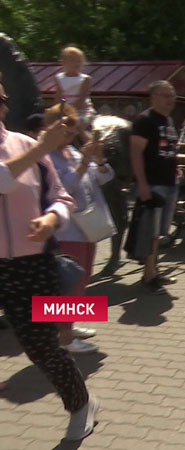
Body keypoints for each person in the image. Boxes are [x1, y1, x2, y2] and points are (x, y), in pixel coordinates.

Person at [0, 80, 99, 440]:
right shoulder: (37, 146)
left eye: (1, 98)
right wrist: (44, 144)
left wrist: (51, 219)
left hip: (32, 265)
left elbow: (62, 197)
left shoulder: (26, 145)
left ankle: (81, 403)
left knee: (41, 346)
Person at [45, 103, 116, 354]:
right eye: (65, 130)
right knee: (70, 281)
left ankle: (68, 326)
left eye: (72, 131)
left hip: (88, 225)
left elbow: (105, 177)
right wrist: (84, 164)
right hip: (67, 230)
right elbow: (62, 189)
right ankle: (64, 337)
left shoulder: (72, 152)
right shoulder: (46, 157)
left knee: (82, 278)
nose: (70, 135)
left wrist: (98, 158)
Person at [129, 80, 180, 294]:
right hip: (152, 184)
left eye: (172, 95)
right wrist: (142, 184)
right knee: (150, 232)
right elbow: (135, 152)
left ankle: (154, 270)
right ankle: (148, 276)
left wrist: (176, 168)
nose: (171, 99)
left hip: (169, 183)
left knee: (159, 233)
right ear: (153, 97)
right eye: (166, 95)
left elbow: (169, 149)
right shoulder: (144, 121)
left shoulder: (168, 120)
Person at [54, 46, 95, 133]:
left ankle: (88, 143)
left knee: (76, 125)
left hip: (82, 111)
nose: (76, 63)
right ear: (63, 62)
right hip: (65, 111)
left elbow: (80, 101)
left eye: (79, 61)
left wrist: (68, 113)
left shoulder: (85, 79)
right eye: (72, 61)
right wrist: (57, 111)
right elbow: (58, 98)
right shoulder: (59, 78)